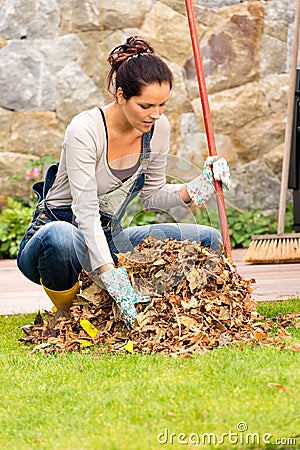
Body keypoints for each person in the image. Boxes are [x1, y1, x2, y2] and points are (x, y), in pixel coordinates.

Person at [17, 36, 230, 329]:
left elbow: (152, 195)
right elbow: (86, 213)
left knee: (206, 238)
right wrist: (110, 274)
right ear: (120, 96)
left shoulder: (157, 128)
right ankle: (72, 316)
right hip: (56, 242)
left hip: (109, 237)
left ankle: (165, 312)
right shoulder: (85, 130)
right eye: (145, 106)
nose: (155, 114)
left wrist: (196, 187)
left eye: (162, 105)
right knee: (62, 238)